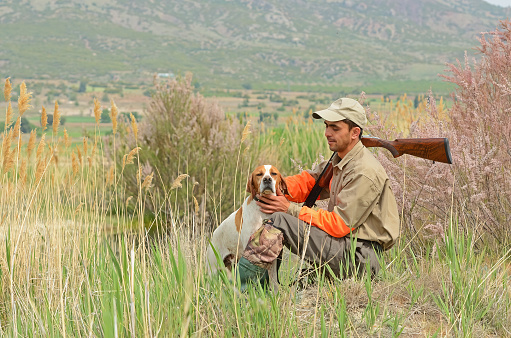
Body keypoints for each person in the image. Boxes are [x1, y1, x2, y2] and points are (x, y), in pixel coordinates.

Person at [236, 97, 400, 289]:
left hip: (359, 258)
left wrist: (289, 209)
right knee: (304, 287)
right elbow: (312, 181)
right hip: (346, 248)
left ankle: (243, 289)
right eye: (326, 126)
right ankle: (262, 288)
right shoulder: (342, 159)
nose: (327, 133)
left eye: (335, 128)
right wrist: (274, 186)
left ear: (355, 132)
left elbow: (340, 224)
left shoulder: (364, 171)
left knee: (280, 219)